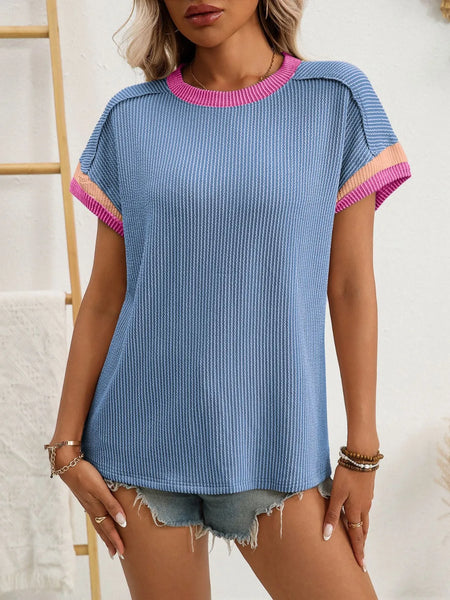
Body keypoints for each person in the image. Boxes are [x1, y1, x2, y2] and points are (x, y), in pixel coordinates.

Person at [44, 1, 411, 598]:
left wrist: (361, 450)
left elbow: (348, 286)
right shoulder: (130, 119)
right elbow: (107, 296)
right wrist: (65, 446)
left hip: (275, 446)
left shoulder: (335, 100)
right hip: (138, 448)